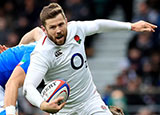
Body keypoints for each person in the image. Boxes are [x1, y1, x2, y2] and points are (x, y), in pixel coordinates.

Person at [22, 3, 157, 115]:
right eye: (52, 27)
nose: (58, 30)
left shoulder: (76, 29)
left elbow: (98, 25)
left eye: (61, 25)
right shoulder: (42, 53)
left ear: (66, 21)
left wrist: (131, 26)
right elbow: (28, 87)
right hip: (63, 111)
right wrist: (43, 105)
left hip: (90, 101)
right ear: (44, 30)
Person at [0, 27, 65, 115]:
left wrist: (15, 50)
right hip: (3, 85)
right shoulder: (35, 56)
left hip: (3, 84)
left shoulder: (43, 43)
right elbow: (11, 84)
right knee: (9, 111)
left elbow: (36, 31)